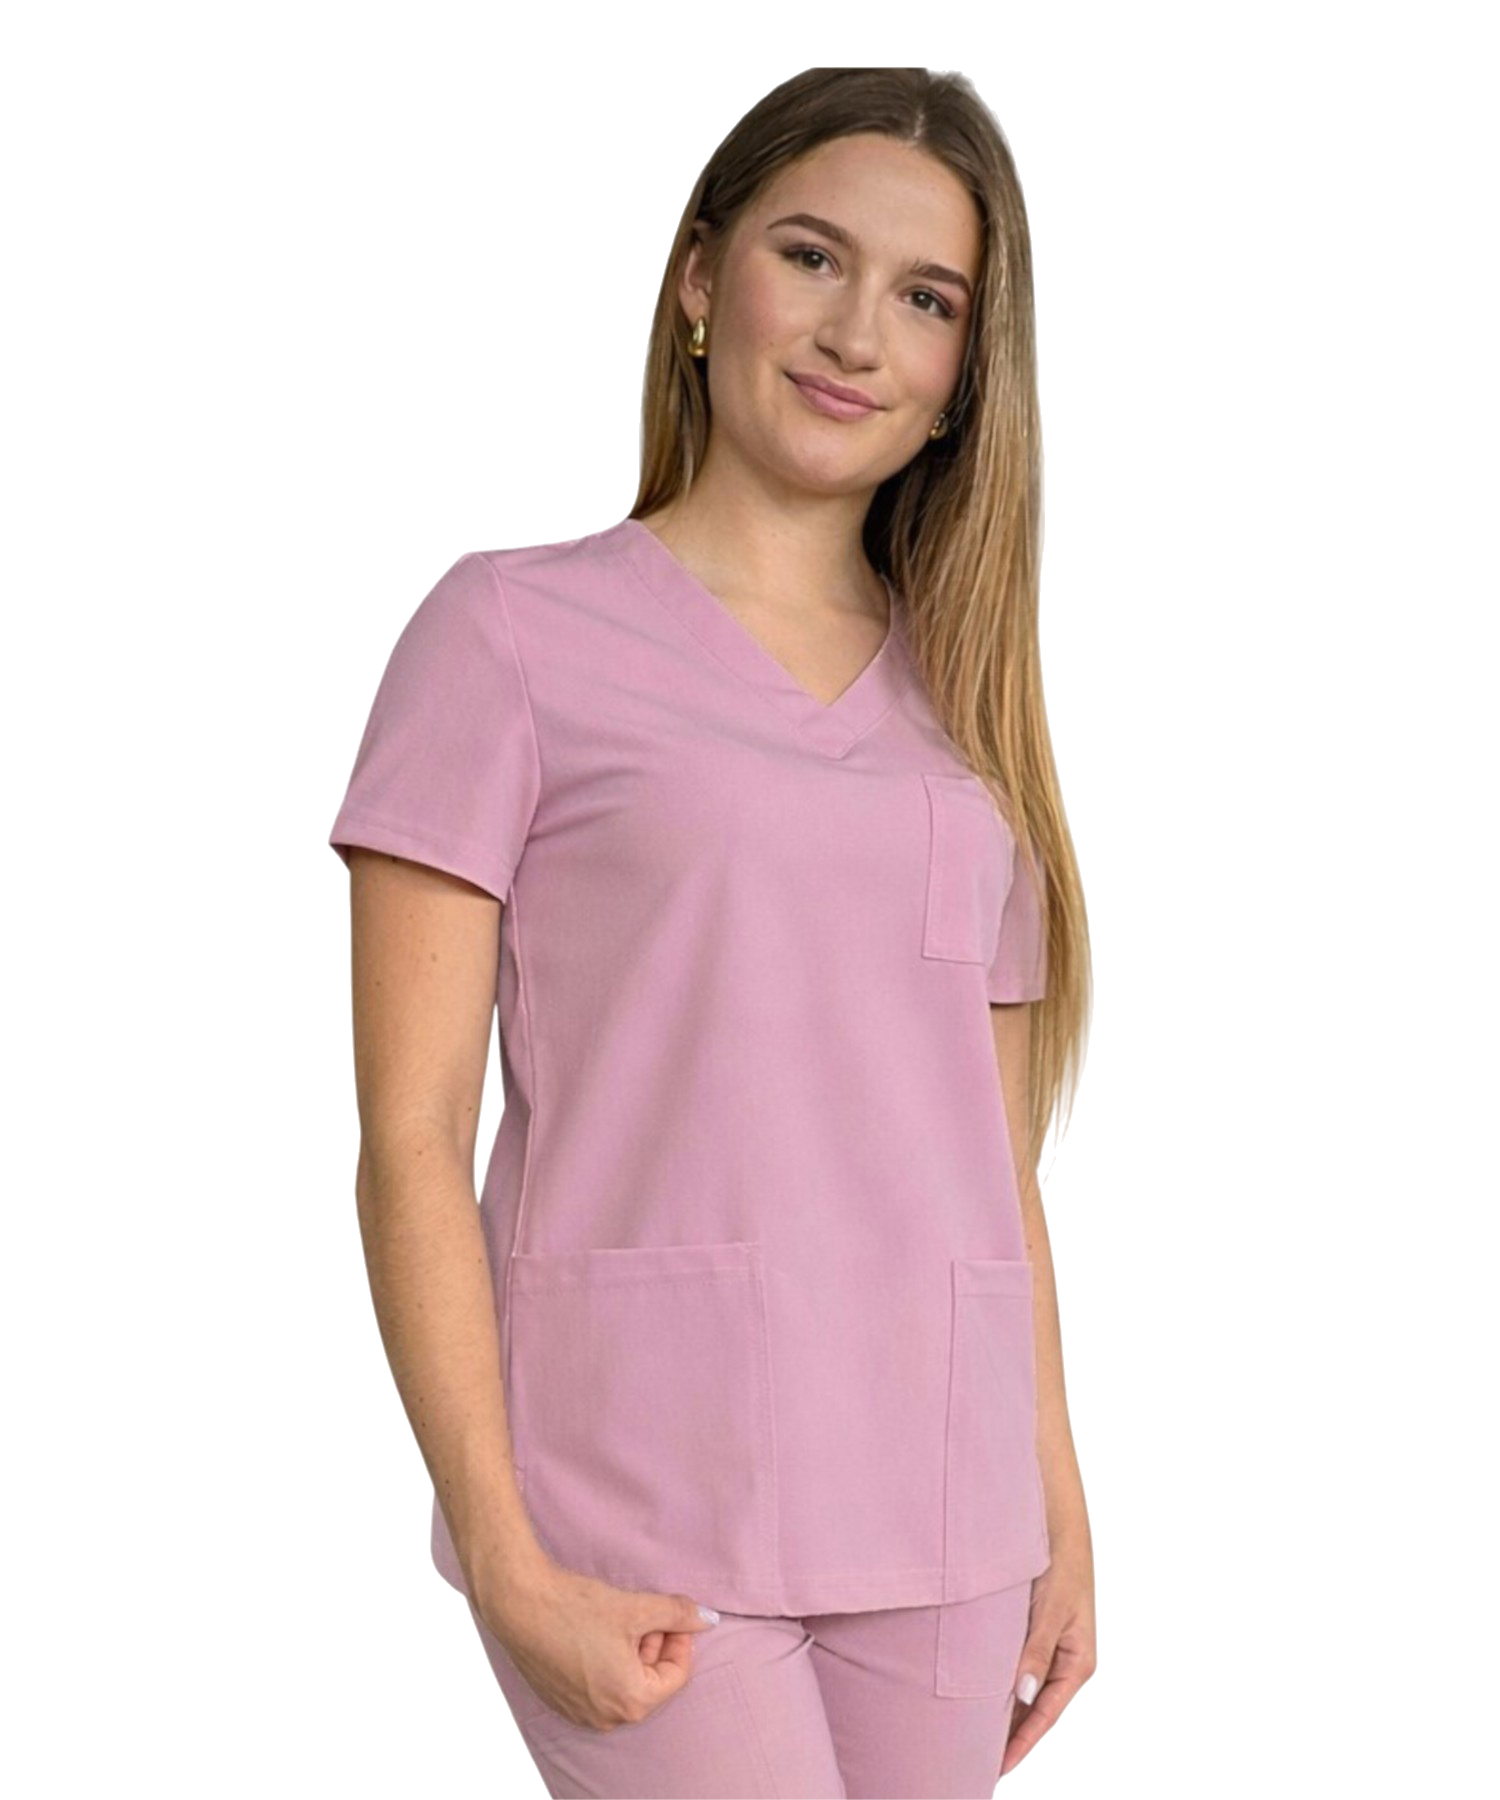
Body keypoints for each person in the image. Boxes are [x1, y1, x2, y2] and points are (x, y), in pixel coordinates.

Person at [329, 64, 1095, 1800]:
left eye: (927, 299)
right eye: (811, 257)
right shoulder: (507, 637)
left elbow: (996, 1169)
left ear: (966, 380)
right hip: (634, 1497)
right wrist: (500, 1550)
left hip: (945, 1508)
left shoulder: (974, 710)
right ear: (699, 278)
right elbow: (407, 1140)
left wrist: (1057, 1500)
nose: (856, 334)